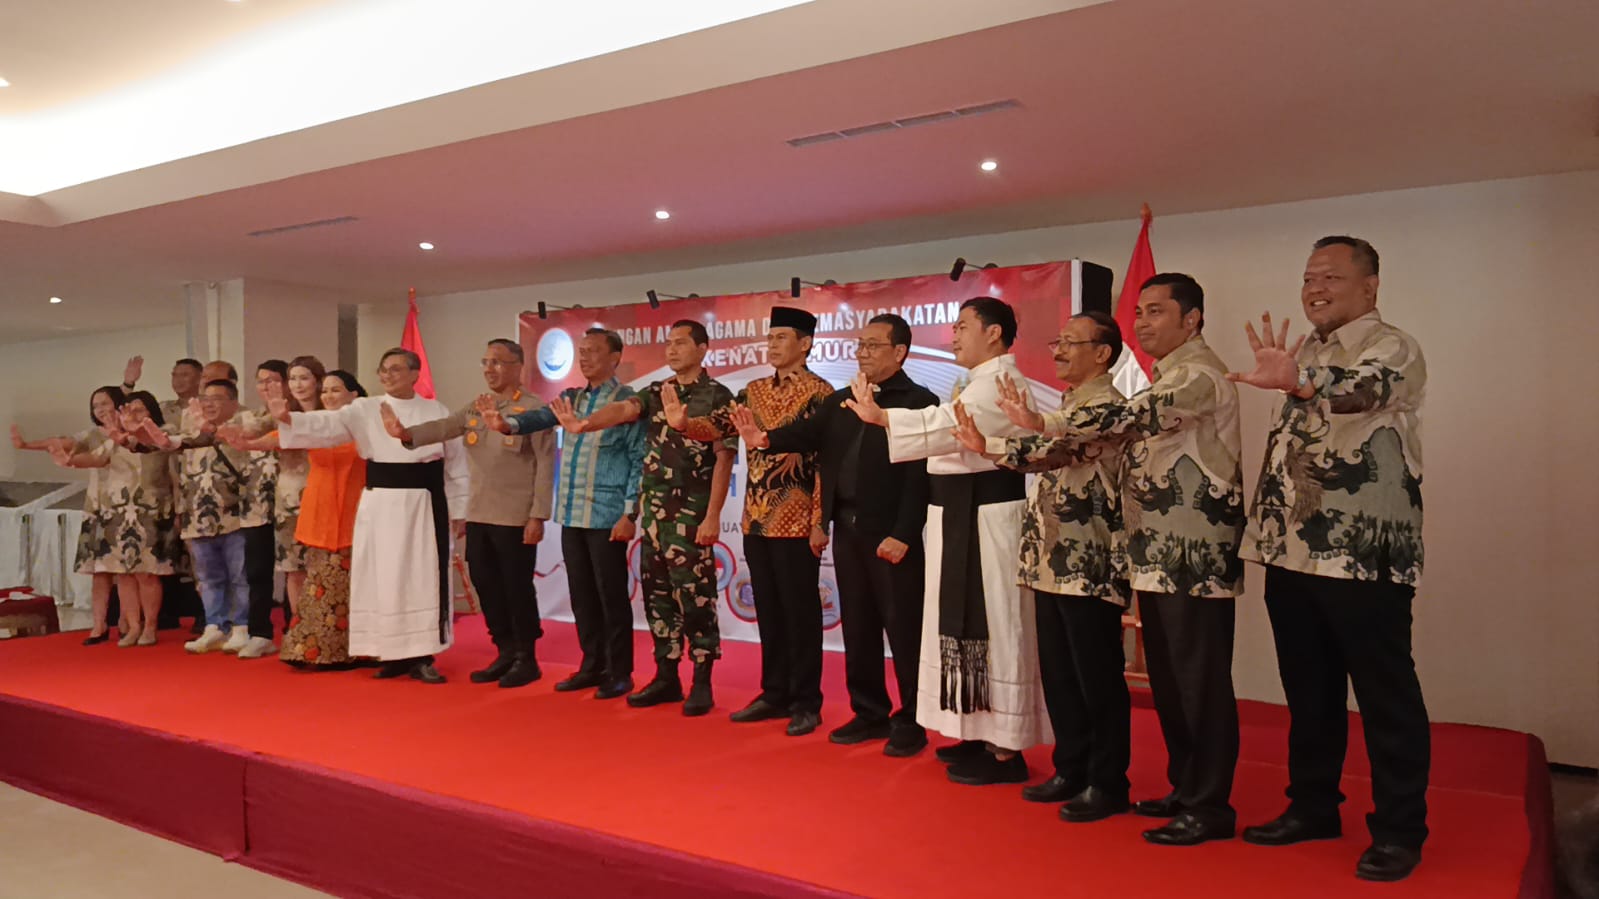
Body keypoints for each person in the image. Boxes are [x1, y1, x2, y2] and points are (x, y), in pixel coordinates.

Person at [998, 273, 1244, 846]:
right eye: (1140, 312)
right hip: (1155, 552)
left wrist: (1044, 422)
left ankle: (1209, 805)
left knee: (1198, 684)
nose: (1143, 322)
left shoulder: (1197, 374)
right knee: (1172, 683)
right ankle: (1186, 790)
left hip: (1192, 553)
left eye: (1157, 311)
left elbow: (1128, 418)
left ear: (1192, 319)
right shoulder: (1166, 375)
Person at [1228, 236, 1430, 883]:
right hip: (1292, 552)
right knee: (1308, 692)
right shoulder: (1306, 352)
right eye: (1308, 278)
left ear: (1370, 286)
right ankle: (1313, 806)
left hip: (1361, 555)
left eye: (1331, 278)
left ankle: (1399, 830)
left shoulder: (1392, 347)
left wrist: (1299, 381)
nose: (1315, 289)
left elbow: (1361, 392)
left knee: (1384, 696)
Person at [841, 297, 1047, 785]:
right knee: (962, 629)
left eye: (962, 326)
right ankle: (975, 731)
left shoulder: (1000, 382)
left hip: (988, 519)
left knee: (995, 627)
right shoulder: (975, 381)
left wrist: (885, 418)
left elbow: (949, 430)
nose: (953, 335)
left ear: (993, 333)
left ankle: (1006, 750)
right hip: (960, 515)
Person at [726, 313, 938, 756]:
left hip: (891, 533)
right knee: (858, 628)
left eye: (873, 346)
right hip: (848, 529)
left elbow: (921, 477)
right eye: (860, 345)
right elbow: (807, 436)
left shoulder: (920, 401)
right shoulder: (842, 401)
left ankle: (912, 720)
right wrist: (763, 439)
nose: (863, 353)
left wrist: (904, 532)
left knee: (903, 630)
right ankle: (869, 712)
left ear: (900, 352)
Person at [951, 311, 1133, 822]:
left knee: (1097, 677)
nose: (1059, 351)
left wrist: (1012, 437)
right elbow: (1047, 451)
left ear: (1102, 353)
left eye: (1071, 342)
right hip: (1051, 559)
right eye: (1058, 341)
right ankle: (1071, 768)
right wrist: (988, 446)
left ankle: (1107, 781)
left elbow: (1060, 443)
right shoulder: (1070, 403)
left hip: (1089, 561)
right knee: (1060, 673)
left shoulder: (1108, 406)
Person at [546, 320, 735, 716]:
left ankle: (702, 681)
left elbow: (723, 459)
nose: (672, 350)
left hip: (691, 519)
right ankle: (667, 677)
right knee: (658, 601)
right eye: (669, 343)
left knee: (696, 601)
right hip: (654, 519)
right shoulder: (656, 391)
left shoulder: (718, 396)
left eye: (681, 343)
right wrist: (584, 424)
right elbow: (624, 409)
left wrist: (712, 516)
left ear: (702, 349)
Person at [668, 306, 833, 737]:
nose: (772, 345)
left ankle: (806, 702)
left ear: (805, 344)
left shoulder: (821, 393)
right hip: (756, 520)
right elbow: (719, 426)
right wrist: (685, 424)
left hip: (797, 520)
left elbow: (826, 463)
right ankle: (774, 693)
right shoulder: (753, 390)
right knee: (770, 611)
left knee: (800, 614)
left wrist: (820, 520)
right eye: (770, 337)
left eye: (782, 338)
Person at [270, 348, 467, 685]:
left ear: (415, 374)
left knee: (421, 579)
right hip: (379, 504)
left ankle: (422, 654)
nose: (388, 376)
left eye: (396, 369)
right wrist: (288, 418)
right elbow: (328, 424)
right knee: (381, 577)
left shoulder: (436, 411)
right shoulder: (364, 408)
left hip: (422, 505)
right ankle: (390, 652)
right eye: (383, 370)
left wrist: (459, 508)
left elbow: (456, 463)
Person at [482, 328, 644, 700]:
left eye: (593, 351)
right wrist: (506, 425)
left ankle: (619, 672)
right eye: (581, 351)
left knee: (611, 597)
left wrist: (629, 514)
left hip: (607, 516)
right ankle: (591, 665)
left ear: (615, 358)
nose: (584, 357)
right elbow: (539, 418)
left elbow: (638, 461)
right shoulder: (571, 398)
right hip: (571, 514)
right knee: (582, 596)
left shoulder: (627, 401)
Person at [390, 339, 555, 689]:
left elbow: (545, 465)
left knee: (516, 587)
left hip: (515, 516)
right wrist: (406, 434)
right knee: (485, 584)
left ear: (517, 367)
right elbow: (446, 426)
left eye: (498, 362)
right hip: (479, 513)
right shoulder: (479, 406)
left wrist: (538, 516)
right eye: (486, 362)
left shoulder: (533, 410)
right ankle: (505, 651)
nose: (489, 369)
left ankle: (526, 658)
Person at [49, 391, 177, 647]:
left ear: (152, 411)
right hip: (119, 510)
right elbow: (97, 458)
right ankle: (133, 626)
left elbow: (170, 468)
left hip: (151, 509)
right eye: (130, 411)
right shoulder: (116, 438)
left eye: (140, 410)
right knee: (124, 574)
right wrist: (70, 461)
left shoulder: (165, 432)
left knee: (147, 573)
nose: (134, 415)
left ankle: (150, 626)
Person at [139, 379, 255, 653]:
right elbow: (176, 463)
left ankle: (241, 626)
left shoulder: (245, 423)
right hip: (198, 513)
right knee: (207, 576)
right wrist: (181, 507)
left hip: (235, 513)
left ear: (233, 402)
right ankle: (215, 626)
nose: (209, 404)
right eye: (205, 399)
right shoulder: (189, 426)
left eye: (217, 398)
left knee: (239, 575)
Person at [12, 387, 125, 644]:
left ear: (119, 404)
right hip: (99, 508)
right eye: (95, 405)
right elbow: (61, 442)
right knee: (100, 571)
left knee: (128, 572)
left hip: (128, 507)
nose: (100, 409)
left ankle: (129, 623)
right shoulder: (92, 435)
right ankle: (99, 625)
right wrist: (26, 445)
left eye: (105, 403)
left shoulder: (134, 433)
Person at [276, 370, 369, 669]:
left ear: (354, 395)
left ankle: (360, 651)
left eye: (335, 390)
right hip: (320, 513)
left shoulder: (367, 424)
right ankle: (317, 651)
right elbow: (277, 438)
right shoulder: (316, 424)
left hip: (358, 514)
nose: (328, 396)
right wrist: (242, 441)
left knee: (355, 587)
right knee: (320, 585)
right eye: (325, 390)